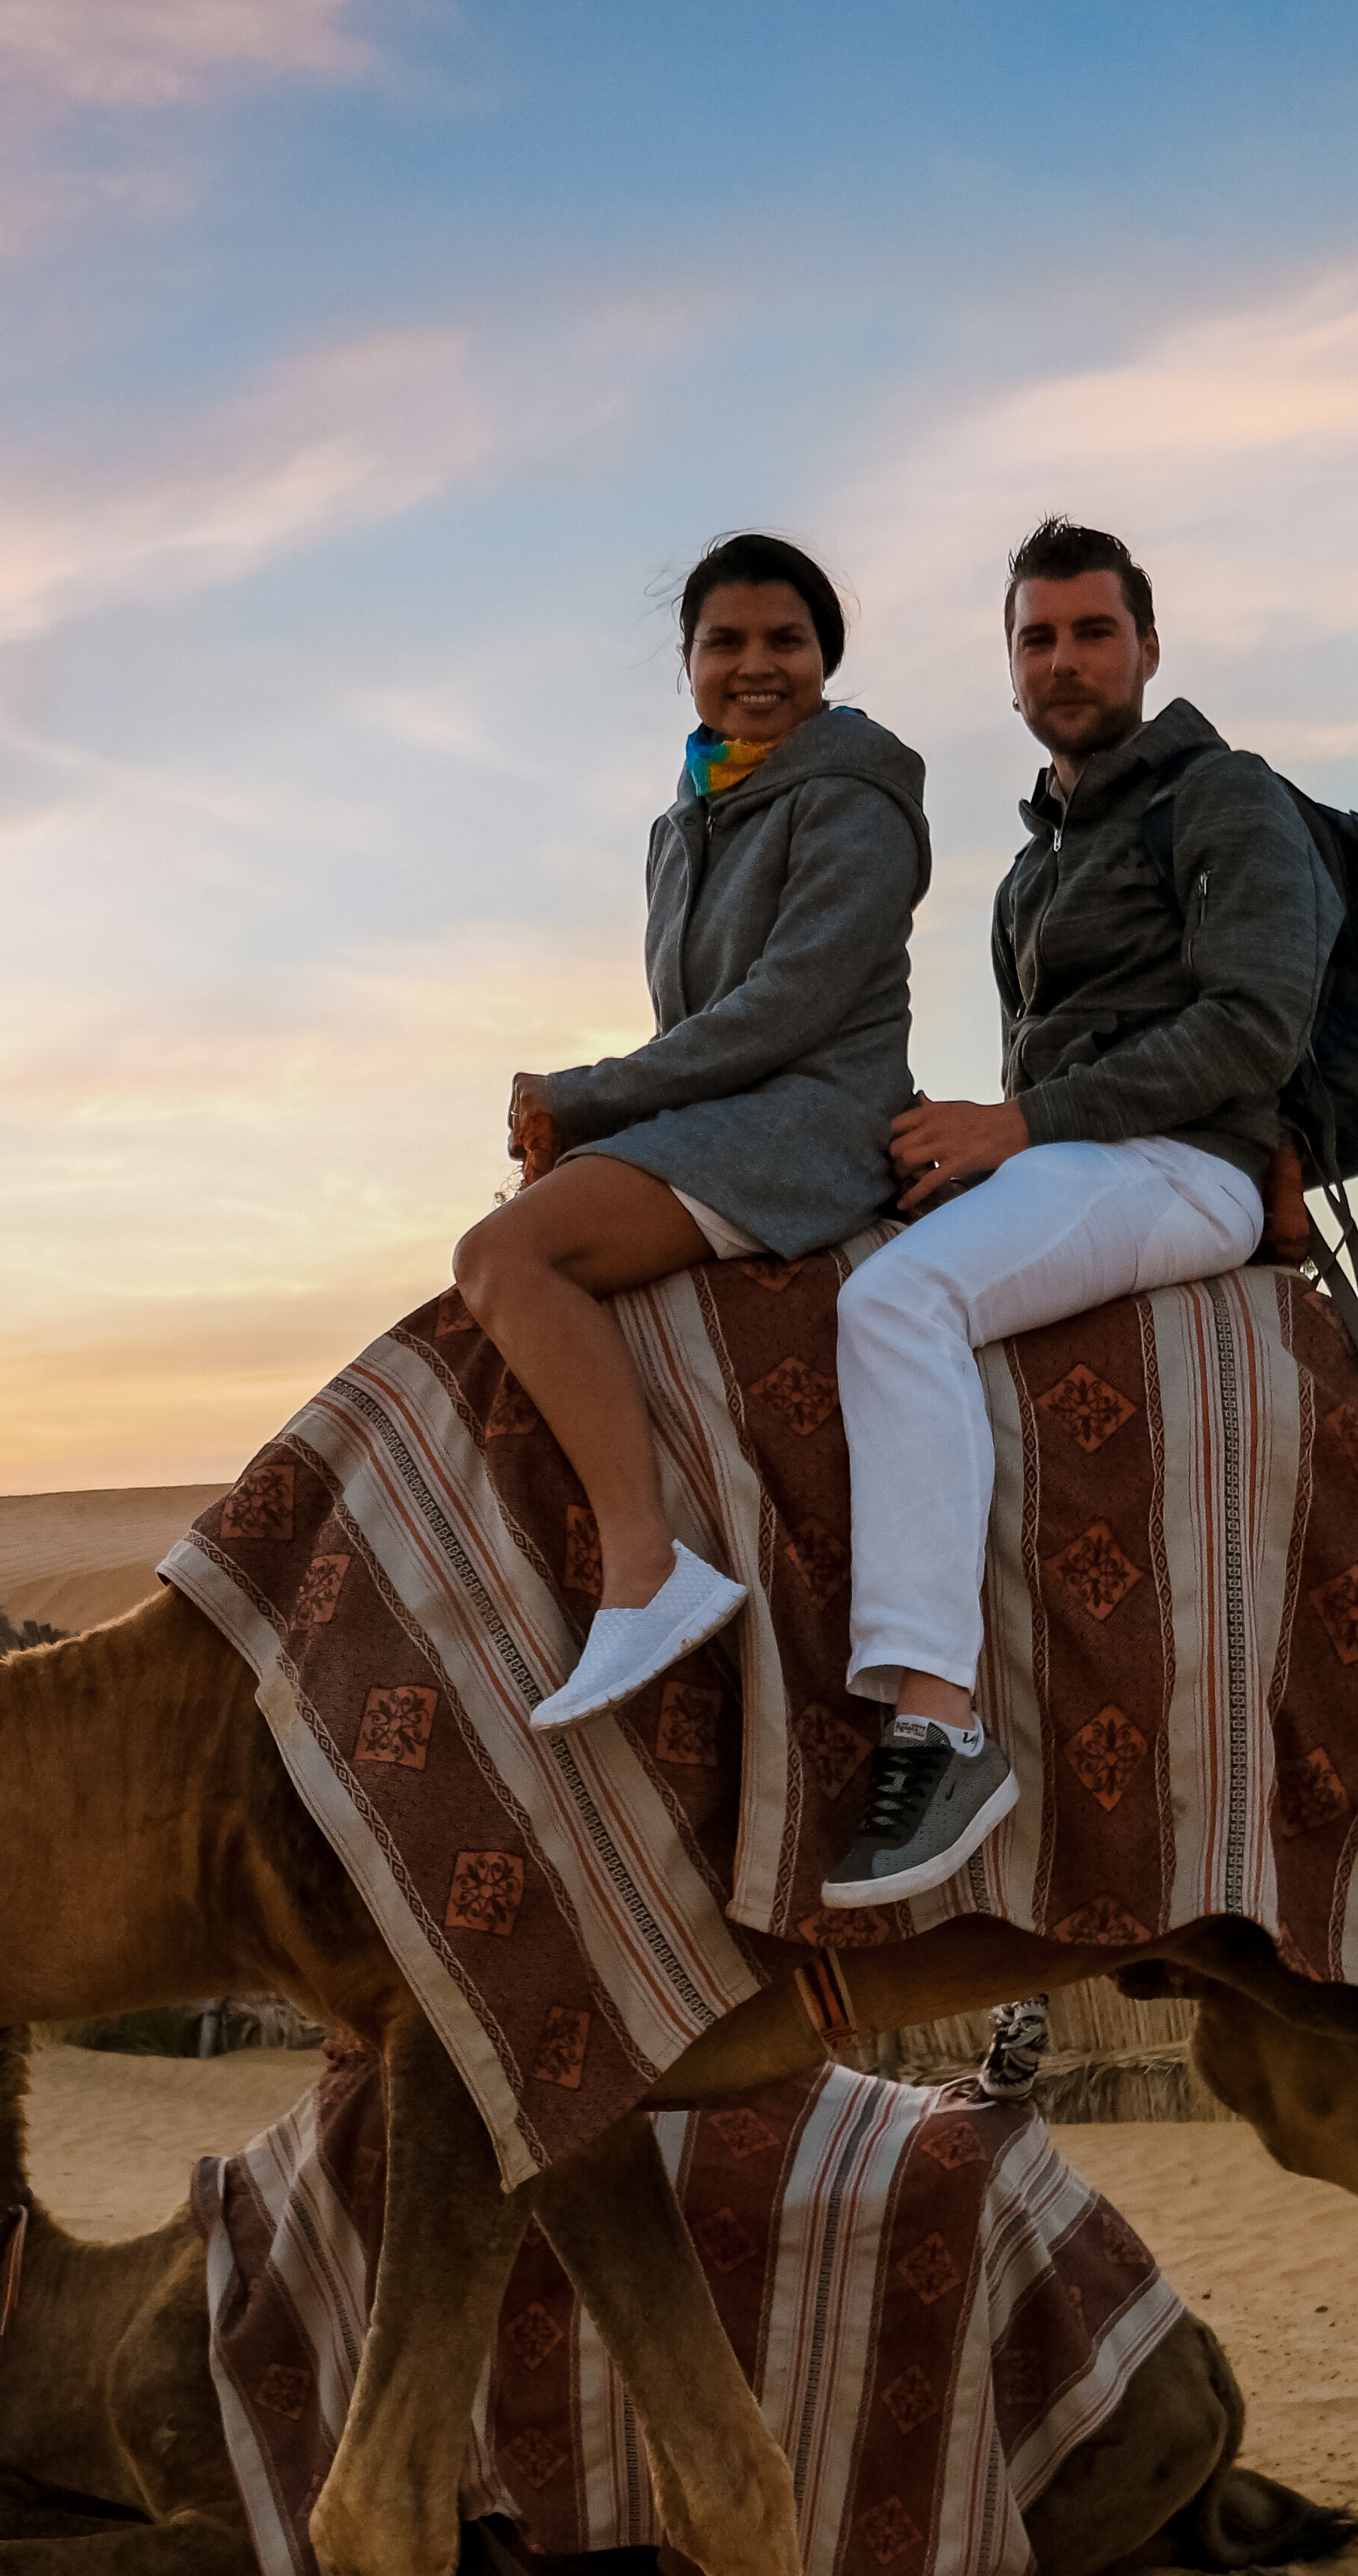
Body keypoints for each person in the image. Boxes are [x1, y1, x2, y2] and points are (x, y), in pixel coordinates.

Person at [819, 517, 1340, 1909]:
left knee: (899, 1300)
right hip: (1081, 1165)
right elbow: (1031, 1085)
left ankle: (942, 1725)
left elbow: (1253, 1026)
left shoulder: (1225, 798)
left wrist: (1021, 1128)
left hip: (1187, 1167)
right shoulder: (1026, 874)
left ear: (1148, 648)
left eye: (1092, 631)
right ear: (1008, 666)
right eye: (1036, 637)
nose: (1065, 659)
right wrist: (976, 1144)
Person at [458, 533, 933, 1731]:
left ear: (826, 659)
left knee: (507, 1257)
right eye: (727, 643)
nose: (756, 666)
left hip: (815, 1118)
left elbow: (788, 1009)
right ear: (689, 665)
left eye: (787, 640)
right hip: (732, 1108)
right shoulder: (687, 824)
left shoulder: (855, 800)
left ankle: (647, 1565)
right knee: (525, 1229)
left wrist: (592, 1095)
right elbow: (700, 1022)